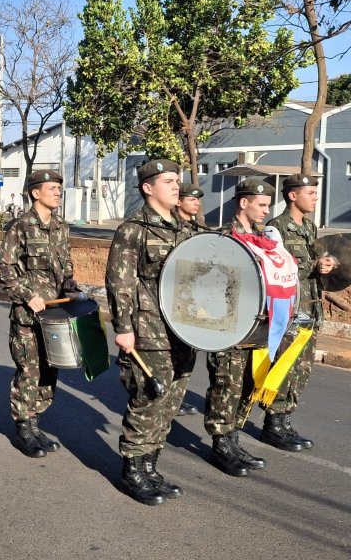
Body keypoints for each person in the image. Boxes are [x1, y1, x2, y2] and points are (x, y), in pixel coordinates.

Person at [106, 160, 193, 505]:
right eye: (168, 181)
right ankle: (133, 471)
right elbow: (120, 282)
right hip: (148, 330)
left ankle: (151, 466)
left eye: (177, 181)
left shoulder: (185, 228)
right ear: (147, 187)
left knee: (171, 401)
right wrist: (124, 328)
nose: (176, 186)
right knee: (148, 399)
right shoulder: (133, 229)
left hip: (183, 330)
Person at [0, 170, 74, 459]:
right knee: (29, 371)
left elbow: (66, 264)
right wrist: (28, 295)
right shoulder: (21, 226)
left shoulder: (61, 226)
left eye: (59, 188)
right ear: (35, 193)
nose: (57, 192)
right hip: (28, 316)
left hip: (56, 315)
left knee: (50, 370)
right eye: (52, 188)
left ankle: (36, 422)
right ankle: (23, 429)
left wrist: (71, 285)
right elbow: (2, 267)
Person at [203, 178, 273, 478]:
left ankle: (233, 439)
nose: (266, 211)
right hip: (227, 327)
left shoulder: (265, 240)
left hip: (255, 325)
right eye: (262, 205)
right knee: (225, 384)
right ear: (244, 203)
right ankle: (221, 445)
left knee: (245, 384)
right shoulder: (223, 238)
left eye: (268, 206)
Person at [262, 174, 338, 451]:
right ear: (293, 195)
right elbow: (274, 268)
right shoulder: (276, 227)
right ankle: (273, 424)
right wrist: (313, 266)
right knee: (284, 365)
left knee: (301, 369)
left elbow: (318, 259)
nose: (316, 198)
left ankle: (285, 420)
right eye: (310, 193)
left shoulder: (308, 226)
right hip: (289, 310)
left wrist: (328, 262)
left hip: (310, 306)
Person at [173, 185, 206, 417]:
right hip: (175, 299)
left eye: (198, 200)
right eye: (191, 199)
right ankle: (170, 398)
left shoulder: (197, 228)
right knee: (173, 354)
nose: (196, 203)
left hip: (193, 301)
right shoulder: (173, 227)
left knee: (188, 354)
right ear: (179, 202)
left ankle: (178, 397)